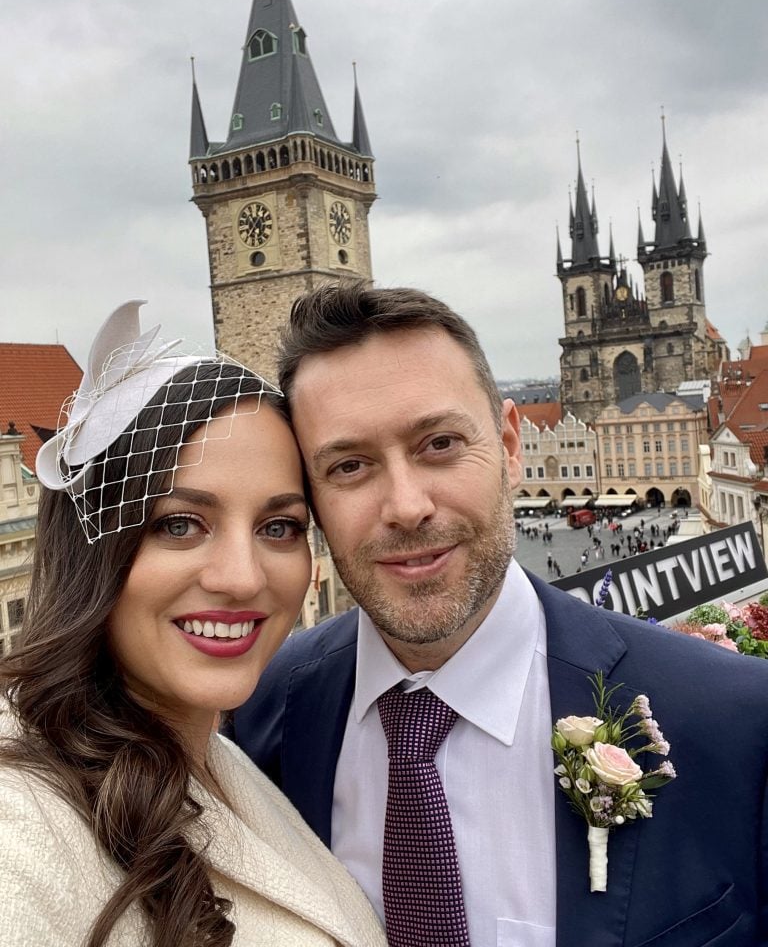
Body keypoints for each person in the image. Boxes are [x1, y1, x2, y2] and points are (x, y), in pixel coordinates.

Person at [229, 282, 768, 947]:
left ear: (511, 446)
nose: (406, 505)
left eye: (440, 444)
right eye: (349, 465)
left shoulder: (737, 723)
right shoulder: (255, 715)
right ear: (310, 498)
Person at [0, 301, 385, 947]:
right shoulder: (17, 825)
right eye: (180, 523)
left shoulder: (218, 751)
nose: (241, 576)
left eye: (279, 527)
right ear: (95, 551)